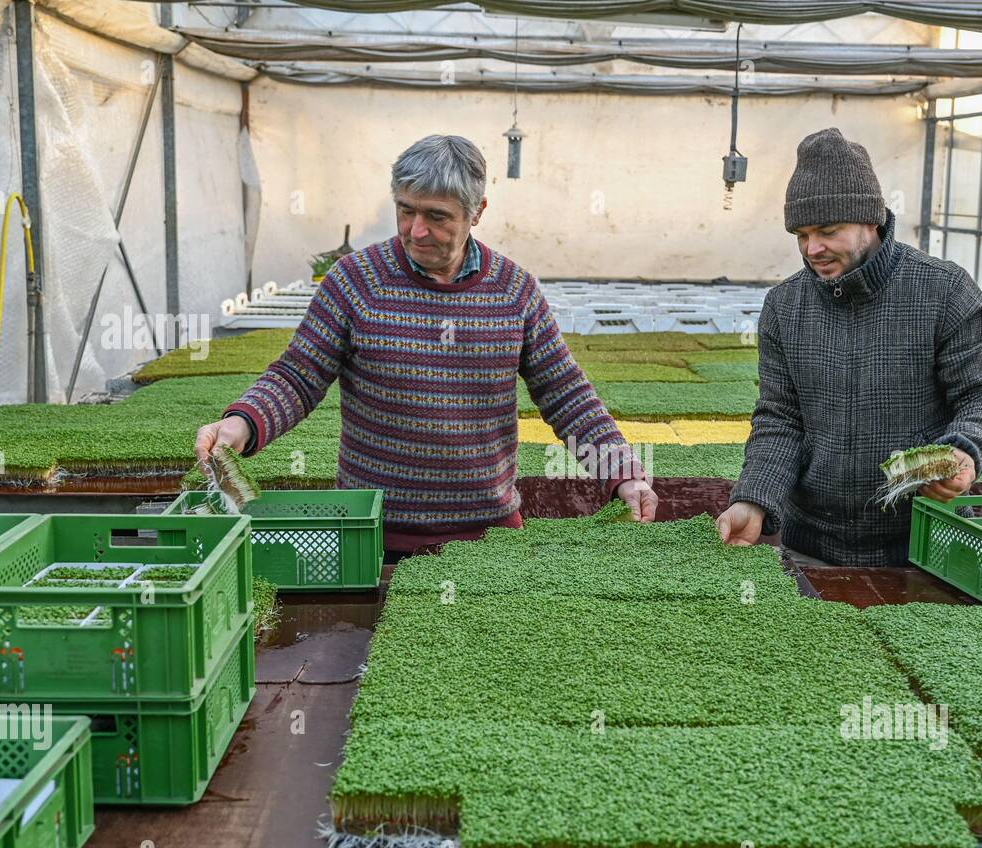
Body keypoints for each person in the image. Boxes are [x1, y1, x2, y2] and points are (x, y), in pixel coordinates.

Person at [195, 135, 657, 559]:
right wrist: (241, 425)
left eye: (436, 216)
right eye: (405, 210)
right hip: (374, 536)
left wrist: (624, 473)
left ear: (477, 212)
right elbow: (298, 377)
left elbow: (566, 394)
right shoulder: (355, 281)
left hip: (489, 536)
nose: (416, 230)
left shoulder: (514, 291)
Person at [716, 128, 982, 566]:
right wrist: (755, 499)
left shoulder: (942, 290)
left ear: (870, 220)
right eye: (801, 234)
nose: (812, 248)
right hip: (813, 546)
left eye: (828, 231)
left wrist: (965, 450)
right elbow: (780, 419)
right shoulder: (785, 306)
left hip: (925, 545)